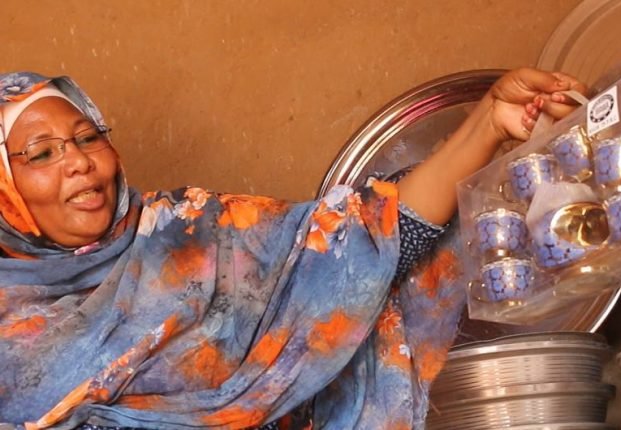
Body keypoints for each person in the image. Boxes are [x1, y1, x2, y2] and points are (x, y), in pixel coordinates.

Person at [0, 68, 584, 430]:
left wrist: (490, 123)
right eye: (41, 153)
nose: (78, 162)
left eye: (87, 137)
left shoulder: (190, 232)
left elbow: (366, 243)